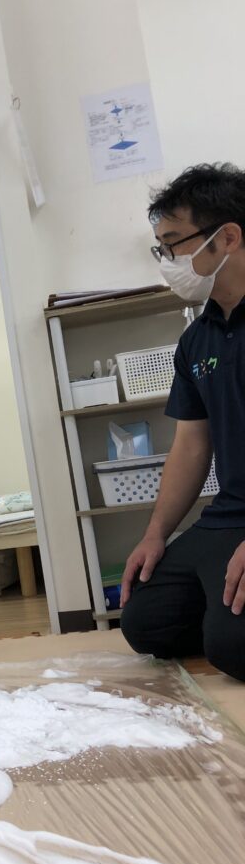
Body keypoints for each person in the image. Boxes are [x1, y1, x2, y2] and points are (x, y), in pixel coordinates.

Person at [120, 163, 245, 681]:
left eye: (174, 245)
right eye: (161, 250)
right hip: (229, 516)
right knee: (146, 623)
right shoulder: (197, 339)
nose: (169, 262)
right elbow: (191, 446)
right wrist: (155, 534)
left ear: (228, 238)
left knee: (233, 648)